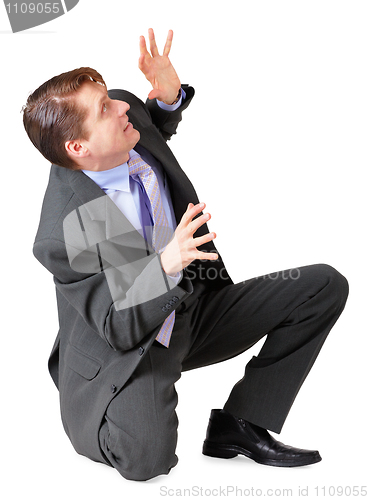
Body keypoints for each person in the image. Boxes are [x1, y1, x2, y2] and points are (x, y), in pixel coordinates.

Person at [23, 29, 349, 481]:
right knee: (146, 462)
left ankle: (239, 425)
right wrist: (165, 264)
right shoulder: (78, 222)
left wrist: (169, 97)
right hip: (135, 341)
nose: (120, 105)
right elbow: (120, 323)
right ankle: (94, 410)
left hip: (192, 308)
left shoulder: (125, 120)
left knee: (321, 286)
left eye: (110, 98)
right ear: (79, 150)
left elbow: (153, 124)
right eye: (105, 109)